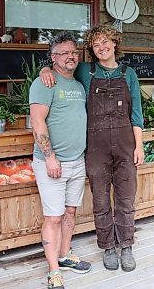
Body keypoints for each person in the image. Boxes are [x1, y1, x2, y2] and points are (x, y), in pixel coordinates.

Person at [41, 25, 144, 272]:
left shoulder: (129, 73)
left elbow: (137, 115)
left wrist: (138, 146)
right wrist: (44, 68)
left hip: (126, 144)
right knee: (100, 198)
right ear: (92, 49)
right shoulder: (86, 71)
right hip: (95, 146)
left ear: (115, 43)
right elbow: (60, 66)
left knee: (126, 197)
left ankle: (126, 245)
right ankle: (108, 246)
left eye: (106, 42)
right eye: (96, 44)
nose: (102, 47)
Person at [30, 32, 91, 289]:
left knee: (70, 212)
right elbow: (37, 121)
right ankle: (53, 270)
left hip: (78, 161)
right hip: (52, 163)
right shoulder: (44, 83)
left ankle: (65, 255)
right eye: (64, 53)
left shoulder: (78, 85)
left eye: (74, 52)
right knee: (53, 217)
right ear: (53, 58)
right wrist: (50, 158)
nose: (71, 56)